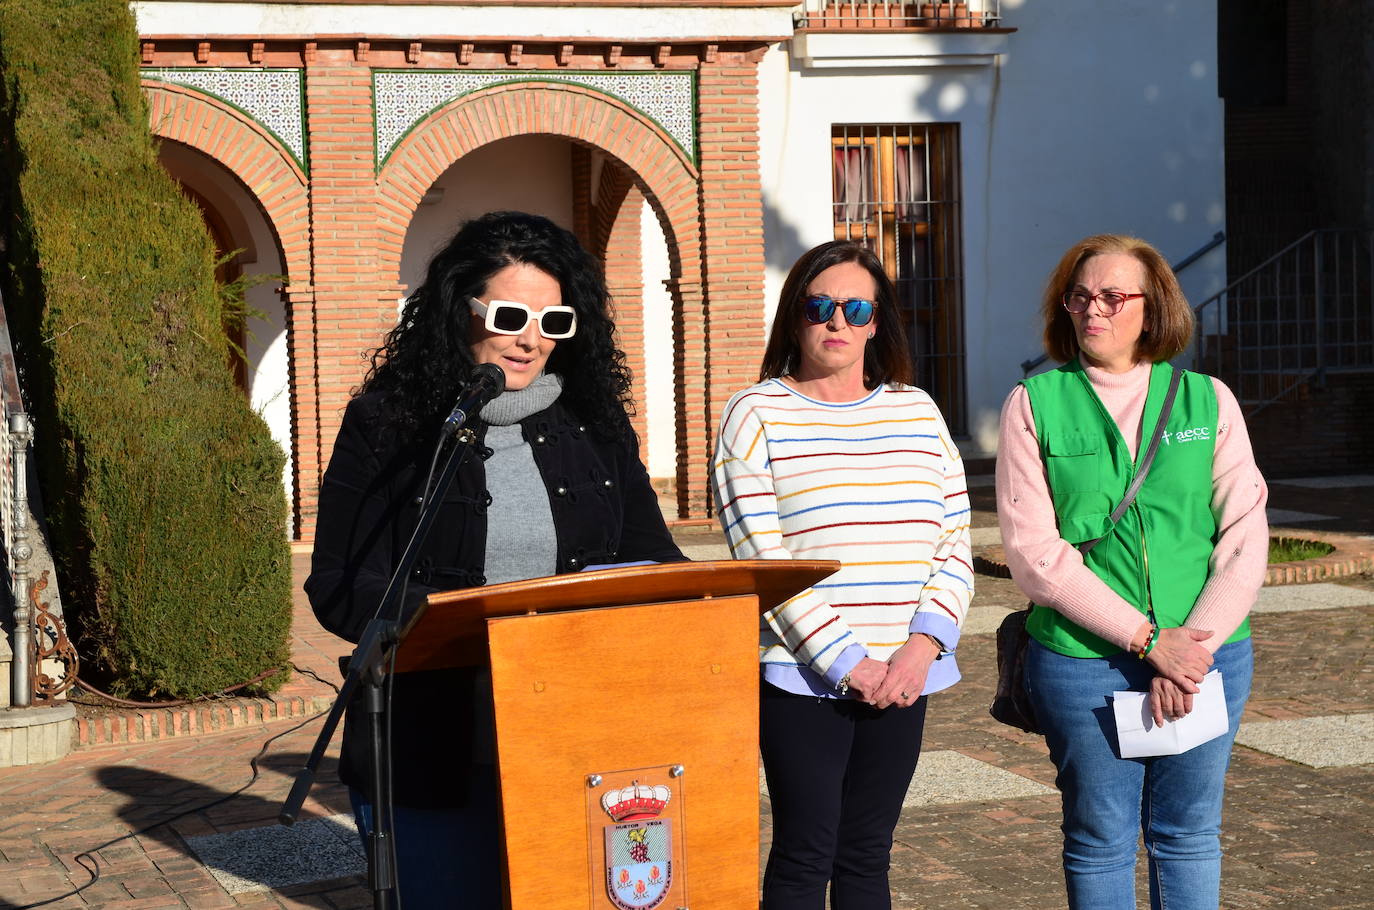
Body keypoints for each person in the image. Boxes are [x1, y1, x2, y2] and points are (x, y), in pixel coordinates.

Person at [305, 211, 684, 908]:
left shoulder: (595, 426)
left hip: (576, 741)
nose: (533, 339)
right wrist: (448, 623)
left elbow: (652, 560)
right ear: (463, 308)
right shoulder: (389, 424)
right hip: (434, 748)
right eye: (513, 315)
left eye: (555, 322)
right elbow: (336, 582)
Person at [996, 234, 1268, 910]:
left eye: (1114, 296)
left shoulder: (1208, 401)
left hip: (1208, 658)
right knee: (1100, 837)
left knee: (1188, 834)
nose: (1094, 310)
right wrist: (1149, 640)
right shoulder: (1034, 404)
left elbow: (1244, 532)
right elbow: (1036, 553)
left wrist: (1189, 650)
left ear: (1153, 307)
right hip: (1086, 659)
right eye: (1081, 296)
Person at [712, 240, 973, 909]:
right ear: (794, 317)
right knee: (805, 850)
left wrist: (921, 650)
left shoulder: (917, 411)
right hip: (802, 680)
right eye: (819, 305)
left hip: (906, 677)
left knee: (867, 854)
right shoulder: (756, 414)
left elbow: (954, 543)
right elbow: (762, 559)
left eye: (855, 307)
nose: (837, 322)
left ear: (876, 321)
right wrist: (848, 661)